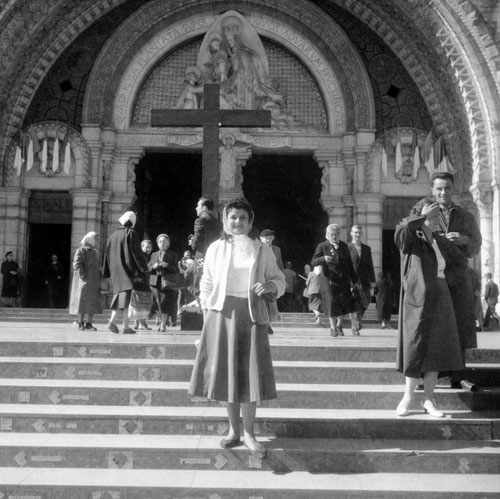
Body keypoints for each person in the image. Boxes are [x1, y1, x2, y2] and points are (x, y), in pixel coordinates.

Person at [188, 198, 285, 460]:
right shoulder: (215, 248)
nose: (238, 222)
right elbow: (206, 284)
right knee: (227, 374)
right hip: (221, 314)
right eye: (232, 217)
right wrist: (207, 319)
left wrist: (270, 287)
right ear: (225, 221)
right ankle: (233, 430)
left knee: (250, 376)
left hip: (251, 316)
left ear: (251, 222)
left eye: (243, 217)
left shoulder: (261, 249)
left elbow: (279, 279)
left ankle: (250, 433)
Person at [395, 199, 467, 418]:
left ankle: (428, 399)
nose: (438, 220)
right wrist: (422, 218)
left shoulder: (440, 240)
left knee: (436, 348)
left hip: (441, 295)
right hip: (417, 297)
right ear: (423, 215)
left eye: (438, 216)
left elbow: (461, 262)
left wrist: (446, 280)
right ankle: (408, 397)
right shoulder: (410, 236)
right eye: (435, 216)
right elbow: (401, 234)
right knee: (415, 344)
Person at [428, 172, 480, 388]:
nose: (443, 192)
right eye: (439, 189)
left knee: (460, 324)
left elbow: (476, 245)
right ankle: (430, 374)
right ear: (432, 191)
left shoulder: (465, 216)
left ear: (453, 189)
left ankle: (459, 375)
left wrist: (464, 239)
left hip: (458, 277)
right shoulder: (425, 214)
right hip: (434, 276)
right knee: (433, 324)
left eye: (447, 188)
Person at [102, 211, 149, 334]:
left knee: (121, 297)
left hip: (116, 271)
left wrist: (106, 271)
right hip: (128, 270)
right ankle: (124, 326)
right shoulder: (131, 233)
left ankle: (117, 323)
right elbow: (136, 253)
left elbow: (106, 254)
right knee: (127, 298)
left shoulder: (112, 235)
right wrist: (143, 268)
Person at [312, 224, 358, 337]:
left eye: (336, 234)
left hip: (343, 279)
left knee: (343, 303)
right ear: (327, 235)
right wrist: (323, 258)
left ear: (339, 235)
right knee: (331, 302)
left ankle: (339, 325)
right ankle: (332, 327)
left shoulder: (344, 246)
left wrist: (355, 280)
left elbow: (349, 264)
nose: (334, 237)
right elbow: (314, 261)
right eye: (332, 235)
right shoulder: (322, 246)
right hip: (328, 280)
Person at [343, 225, 375, 335]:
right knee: (354, 304)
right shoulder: (347, 247)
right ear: (351, 233)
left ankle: (357, 321)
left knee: (365, 303)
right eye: (355, 232)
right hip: (352, 280)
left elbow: (370, 265)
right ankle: (355, 326)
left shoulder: (367, 249)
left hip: (364, 280)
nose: (357, 235)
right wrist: (348, 282)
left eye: (359, 233)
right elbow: (345, 265)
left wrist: (372, 280)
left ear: (361, 234)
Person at [69, 232, 102, 331]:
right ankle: (80, 322)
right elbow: (77, 264)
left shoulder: (94, 251)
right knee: (81, 301)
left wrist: (99, 273)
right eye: (95, 239)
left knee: (92, 302)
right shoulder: (81, 250)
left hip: (93, 281)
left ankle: (89, 323)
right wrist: (83, 276)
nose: (97, 241)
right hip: (83, 281)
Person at [190, 197, 223, 296]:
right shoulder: (219, 223)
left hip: (202, 258)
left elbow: (196, 242)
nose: (196, 208)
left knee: (198, 287)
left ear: (204, 208)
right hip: (216, 259)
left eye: (198, 206)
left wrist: (192, 242)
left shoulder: (200, 221)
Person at [148, 233, 180, 332]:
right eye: (160, 241)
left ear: (168, 244)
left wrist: (167, 266)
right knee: (156, 303)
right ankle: (161, 320)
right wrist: (153, 267)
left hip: (167, 282)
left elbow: (176, 269)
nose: (162, 243)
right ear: (157, 244)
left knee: (164, 303)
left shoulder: (173, 255)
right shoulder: (154, 254)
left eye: (164, 241)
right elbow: (148, 267)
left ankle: (163, 324)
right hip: (155, 282)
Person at [134, 239, 153, 330]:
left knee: (141, 303)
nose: (148, 249)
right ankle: (140, 323)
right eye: (146, 247)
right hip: (141, 281)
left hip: (144, 281)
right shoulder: (141, 257)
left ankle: (139, 323)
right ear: (142, 247)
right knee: (141, 303)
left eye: (150, 247)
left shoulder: (149, 257)